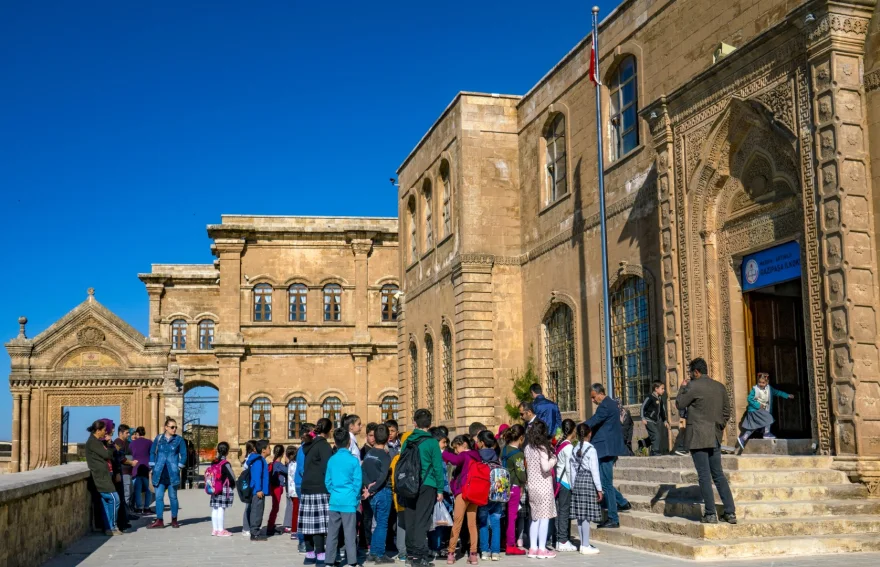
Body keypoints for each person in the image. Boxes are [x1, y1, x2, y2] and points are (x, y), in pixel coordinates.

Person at [676, 358, 737, 525]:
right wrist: (719, 427)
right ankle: (730, 512)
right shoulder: (720, 387)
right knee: (718, 474)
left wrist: (682, 387)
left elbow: (680, 403)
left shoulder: (693, 386)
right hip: (715, 436)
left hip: (697, 437)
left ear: (696, 372)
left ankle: (710, 513)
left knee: (704, 475)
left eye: (691, 373)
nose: (690, 376)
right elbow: (727, 411)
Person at [401, 409, 446, 567]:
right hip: (427, 484)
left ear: (414, 422)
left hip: (408, 484)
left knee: (411, 519)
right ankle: (419, 558)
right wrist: (440, 489)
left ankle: (410, 554)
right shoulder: (432, 442)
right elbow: (437, 468)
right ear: (430, 423)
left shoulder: (407, 440)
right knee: (422, 521)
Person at [584, 384, 630, 529]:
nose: (592, 400)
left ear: (600, 393)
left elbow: (594, 420)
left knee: (606, 484)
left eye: (593, 397)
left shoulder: (605, 405)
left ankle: (613, 518)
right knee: (603, 482)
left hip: (605, 449)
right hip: (606, 448)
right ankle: (622, 502)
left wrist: (579, 428)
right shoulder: (610, 404)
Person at [325, 427, 363, 567]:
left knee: (332, 533)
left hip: (335, 500)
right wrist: (354, 496)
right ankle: (352, 561)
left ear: (335, 442)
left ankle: (329, 561)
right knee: (350, 533)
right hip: (349, 501)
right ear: (349, 443)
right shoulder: (353, 461)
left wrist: (334, 491)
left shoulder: (331, 460)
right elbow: (357, 482)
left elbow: (327, 481)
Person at [300, 418, 335, 565]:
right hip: (319, 487)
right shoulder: (323, 445)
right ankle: (320, 555)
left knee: (308, 524)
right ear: (329, 431)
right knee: (319, 525)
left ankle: (309, 555)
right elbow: (328, 468)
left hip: (306, 487)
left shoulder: (308, 444)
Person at [443, 434, 479, 565]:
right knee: (472, 524)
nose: (456, 451)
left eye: (456, 448)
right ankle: (473, 554)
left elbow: (455, 460)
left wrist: (442, 452)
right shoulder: (477, 455)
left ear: (464, 444)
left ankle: (451, 554)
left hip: (463, 493)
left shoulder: (464, 455)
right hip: (474, 493)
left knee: (457, 522)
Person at [524, 421, 557, 559]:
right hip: (543, 486)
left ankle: (533, 548)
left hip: (532, 486)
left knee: (535, 517)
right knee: (544, 518)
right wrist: (554, 459)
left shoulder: (528, 448)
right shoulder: (542, 448)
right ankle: (542, 549)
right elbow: (545, 467)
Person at [147, 417, 187, 530]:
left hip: (172, 473)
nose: (174, 429)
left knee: (173, 497)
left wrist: (179, 467)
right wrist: (153, 466)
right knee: (159, 497)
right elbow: (152, 452)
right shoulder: (159, 439)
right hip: (159, 472)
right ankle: (159, 520)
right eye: (172, 427)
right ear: (166, 427)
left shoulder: (179, 440)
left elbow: (184, 455)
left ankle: (174, 519)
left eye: (175, 427)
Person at [85, 419, 123, 536]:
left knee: (107, 502)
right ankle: (112, 526)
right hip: (100, 477)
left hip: (104, 475)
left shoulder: (97, 441)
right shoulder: (93, 442)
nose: (104, 432)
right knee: (114, 499)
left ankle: (109, 527)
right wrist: (110, 445)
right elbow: (107, 454)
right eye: (103, 430)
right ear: (98, 430)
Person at [362, 424, 393, 563]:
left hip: (372, 494)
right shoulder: (385, 456)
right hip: (382, 491)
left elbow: (362, 471)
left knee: (377, 522)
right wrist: (373, 488)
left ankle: (373, 551)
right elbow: (383, 476)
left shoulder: (369, 453)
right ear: (387, 438)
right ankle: (380, 553)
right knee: (382, 523)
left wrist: (368, 486)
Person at [570, 423, 602, 555]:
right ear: (590, 434)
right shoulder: (591, 450)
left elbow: (572, 469)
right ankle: (586, 544)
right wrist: (599, 489)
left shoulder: (574, 449)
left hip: (577, 481)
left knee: (580, 515)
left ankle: (583, 543)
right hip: (588, 481)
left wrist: (573, 485)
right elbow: (595, 471)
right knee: (586, 515)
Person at [738, 372, 795, 448]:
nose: (761, 384)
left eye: (763, 383)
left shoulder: (769, 388)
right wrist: (758, 405)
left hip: (763, 410)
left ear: (767, 382)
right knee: (768, 418)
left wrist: (787, 395)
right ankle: (766, 433)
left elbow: (777, 392)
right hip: (755, 411)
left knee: (754, 426)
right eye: (759, 382)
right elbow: (749, 399)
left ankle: (742, 439)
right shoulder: (755, 389)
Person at [476, 430, 504, 562]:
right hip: (497, 493)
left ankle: (485, 551)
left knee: (483, 523)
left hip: (482, 494)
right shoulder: (497, 456)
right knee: (496, 523)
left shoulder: (477, 456)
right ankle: (496, 552)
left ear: (481, 442)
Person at [501, 425, 526, 556]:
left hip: (504, 486)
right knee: (512, 517)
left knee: (506, 516)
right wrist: (524, 481)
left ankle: (505, 540)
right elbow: (521, 473)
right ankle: (511, 545)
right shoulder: (518, 454)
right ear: (521, 438)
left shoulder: (504, 450)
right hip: (514, 487)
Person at [554, 419, 577, 552]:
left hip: (558, 480)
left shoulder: (560, 444)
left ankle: (559, 539)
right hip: (565, 482)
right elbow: (569, 468)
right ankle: (563, 540)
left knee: (559, 511)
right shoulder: (568, 447)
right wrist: (573, 485)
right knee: (564, 511)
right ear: (573, 431)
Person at [389, 431, 411, 562]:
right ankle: (410, 549)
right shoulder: (417, 457)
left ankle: (402, 551)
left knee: (401, 523)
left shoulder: (397, 458)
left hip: (400, 496)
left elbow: (392, 480)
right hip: (413, 497)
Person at [208, 441, 236, 537]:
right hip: (224, 488)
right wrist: (233, 485)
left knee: (215, 508)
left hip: (214, 488)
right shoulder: (225, 463)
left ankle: (215, 529)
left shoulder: (214, 462)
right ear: (227, 451)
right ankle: (221, 530)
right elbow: (232, 477)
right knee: (221, 508)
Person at [245, 440, 271, 541]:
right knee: (256, 511)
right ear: (264, 450)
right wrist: (258, 489)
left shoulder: (261, 460)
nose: (270, 449)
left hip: (260, 491)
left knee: (259, 510)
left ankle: (256, 531)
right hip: (258, 491)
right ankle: (254, 533)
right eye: (269, 447)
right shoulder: (258, 461)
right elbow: (256, 476)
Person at [113, 424, 137, 517]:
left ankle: (128, 513)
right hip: (124, 472)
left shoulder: (127, 443)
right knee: (126, 494)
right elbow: (120, 458)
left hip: (129, 472)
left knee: (130, 493)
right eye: (126, 433)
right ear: (120, 433)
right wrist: (131, 463)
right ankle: (126, 515)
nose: (128, 434)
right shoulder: (117, 442)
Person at [641, 382, 670, 456]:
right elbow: (643, 407)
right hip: (648, 419)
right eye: (662, 388)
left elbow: (662, 411)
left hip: (656, 421)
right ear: (656, 389)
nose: (663, 390)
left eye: (664, 389)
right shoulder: (650, 397)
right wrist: (643, 418)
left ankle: (642, 443)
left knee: (653, 436)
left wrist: (665, 421)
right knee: (656, 435)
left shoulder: (660, 399)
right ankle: (654, 451)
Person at [129, 426, 153, 514]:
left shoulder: (133, 443)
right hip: (146, 468)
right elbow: (153, 454)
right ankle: (146, 507)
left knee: (137, 490)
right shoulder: (149, 442)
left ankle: (139, 508)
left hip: (136, 468)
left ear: (137, 433)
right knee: (148, 489)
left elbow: (129, 453)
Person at [267, 444, 288, 536]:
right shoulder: (279, 465)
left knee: (275, 507)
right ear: (282, 453)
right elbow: (288, 471)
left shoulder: (273, 463)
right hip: (277, 487)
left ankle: (271, 525)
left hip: (274, 486)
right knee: (275, 507)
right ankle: (270, 527)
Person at [240, 440, 257, 537]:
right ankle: (246, 528)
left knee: (250, 506)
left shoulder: (249, 458)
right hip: (249, 485)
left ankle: (249, 526)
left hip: (250, 484)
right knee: (248, 507)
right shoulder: (249, 459)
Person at [284, 445, 299, 537]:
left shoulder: (290, 464)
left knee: (295, 510)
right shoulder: (295, 465)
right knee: (296, 511)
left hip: (291, 490)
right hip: (296, 491)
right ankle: (294, 530)